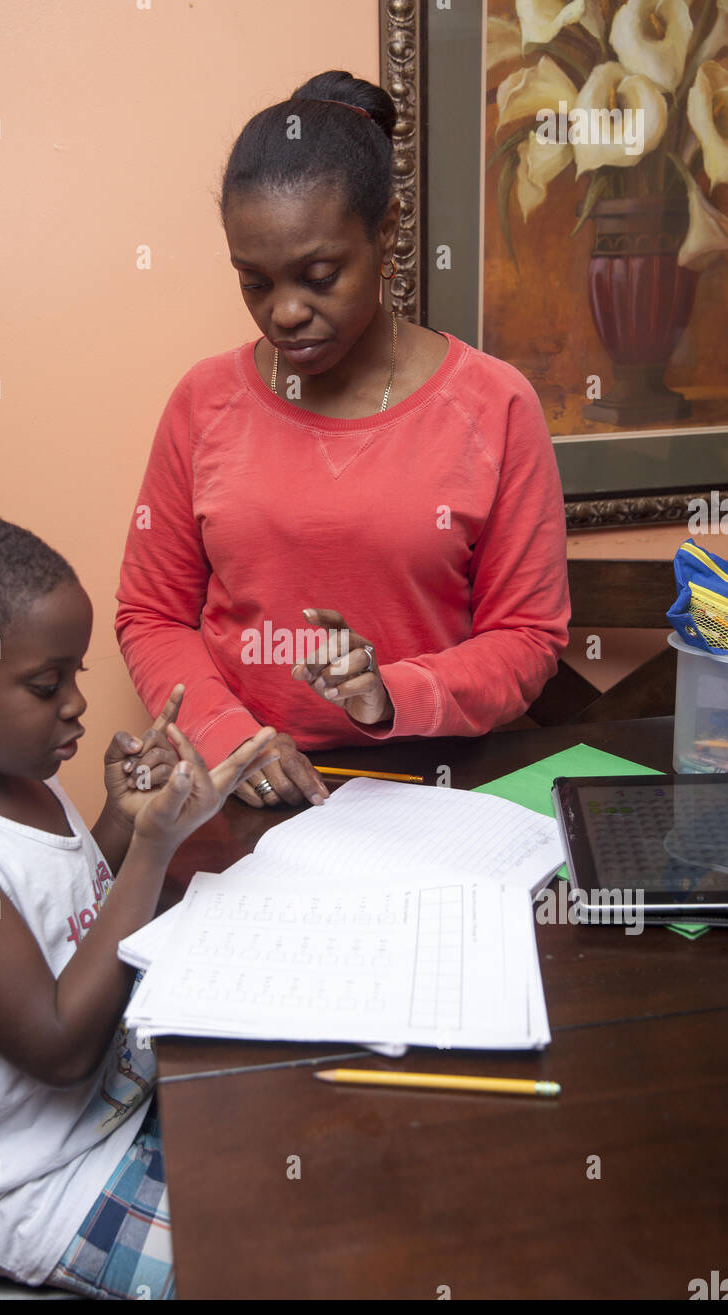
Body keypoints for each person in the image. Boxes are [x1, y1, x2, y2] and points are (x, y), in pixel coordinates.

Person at [116, 70, 570, 812]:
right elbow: (151, 613)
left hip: (439, 788)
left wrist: (391, 693)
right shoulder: (204, 402)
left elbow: (527, 636)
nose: (285, 311)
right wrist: (231, 736)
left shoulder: (495, 405)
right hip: (244, 786)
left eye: (319, 275)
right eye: (254, 282)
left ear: (387, 229)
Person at [0, 508, 276, 1299]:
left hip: (112, 1104)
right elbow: (59, 1048)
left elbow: (60, 910)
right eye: (48, 684)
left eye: (78, 674)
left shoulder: (14, 776)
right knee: (263, 1266)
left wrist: (118, 824)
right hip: (34, 1182)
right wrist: (153, 850)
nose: (79, 703)